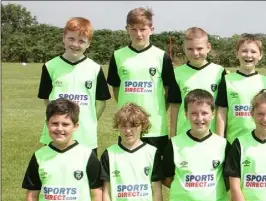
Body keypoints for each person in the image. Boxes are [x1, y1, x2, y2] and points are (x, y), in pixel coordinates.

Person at [162, 89, 232, 201]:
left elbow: (227, 181)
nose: (199, 118)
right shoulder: (174, 144)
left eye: (204, 113)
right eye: (193, 113)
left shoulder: (222, 144)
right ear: (185, 114)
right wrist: (188, 191)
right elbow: (167, 178)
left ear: (213, 113)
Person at [107, 7, 179, 156]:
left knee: (156, 175)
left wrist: (157, 110)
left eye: (143, 29)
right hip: (127, 126)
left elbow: (168, 90)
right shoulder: (118, 56)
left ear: (151, 29)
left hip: (155, 127)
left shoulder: (162, 56)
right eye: (133, 29)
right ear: (126, 29)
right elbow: (116, 89)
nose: (139, 34)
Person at [37, 17, 110, 152]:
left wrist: (90, 121)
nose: (75, 44)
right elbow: (46, 99)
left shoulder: (95, 69)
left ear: (88, 44)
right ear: (63, 38)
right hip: (56, 135)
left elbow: (101, 102)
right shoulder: (50, 66)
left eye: (81, 41)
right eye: (71, 39)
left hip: (85, 136)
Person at [169, 27, 226, 137]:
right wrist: (172, 137)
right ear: (184, 48)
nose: (195, 53)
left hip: (211, 136)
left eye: (199, 48)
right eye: (190, 49)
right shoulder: (177, 73)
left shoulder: (219, 72)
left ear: (208, 47)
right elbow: (175, 107)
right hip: (183, 136)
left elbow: (221, 109)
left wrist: (220, 138)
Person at [216, 34, 266, 141]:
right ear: (237, 53)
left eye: (253, 52)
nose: (248, 55)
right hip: (234, 141)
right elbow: (222, 111)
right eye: (244, 51)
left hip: (259, 141)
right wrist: (220, 140)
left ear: (260, 55)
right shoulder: (227, 80)